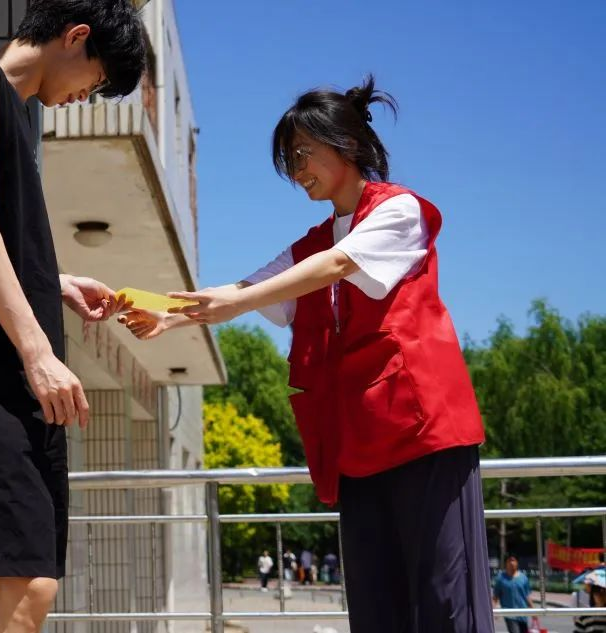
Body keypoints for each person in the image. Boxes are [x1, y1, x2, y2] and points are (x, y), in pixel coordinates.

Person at [119, 75, 492, 632]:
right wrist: (166, 315)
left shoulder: (399, 211)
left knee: (445, 600)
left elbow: (336, 265)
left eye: (302, 154)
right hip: (355, 441)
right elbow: (244, 290)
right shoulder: (311, 246)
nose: (296, 172)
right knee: (376, 605)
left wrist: (240, 299)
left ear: (348, 144)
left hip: (423, 432)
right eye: (289, 160)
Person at [0, 2, 146, 632]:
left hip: (10, 386)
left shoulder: (12, 109)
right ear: (76, 36)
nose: (84, 96)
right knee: (25, 586)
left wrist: (54, 284)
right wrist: (39, 352)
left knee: (18, 588)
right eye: (95, 81)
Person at [493, 555, 533, 633]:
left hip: (523, 614)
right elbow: (495, 597)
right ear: (506, 563)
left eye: (513, 560)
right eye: (509, 561)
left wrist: (534, 612)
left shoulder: (523, 578)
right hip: (509, 615)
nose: (512, 563)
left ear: (517, 563)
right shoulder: (501, 579)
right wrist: (494, 611)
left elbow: (527, 596)